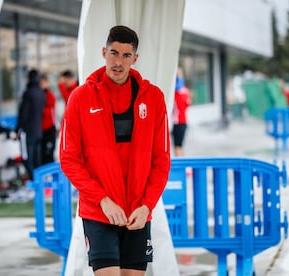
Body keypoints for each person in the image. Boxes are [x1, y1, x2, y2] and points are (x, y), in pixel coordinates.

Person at [59, 25, 171, 276]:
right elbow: (68, 159)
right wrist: (103, 200)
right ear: (103, 52)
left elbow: (161, 160)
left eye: (126, 55)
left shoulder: (153, 97)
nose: (118, 61)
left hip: (137, 212)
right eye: (113, 53)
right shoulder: (80, 97)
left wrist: (147, 206)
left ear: (135, 58)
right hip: (100, 212)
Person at [16, 69, 45, 180]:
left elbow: (24, 113)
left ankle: (35, 182)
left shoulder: (28, 93)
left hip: (28, 131)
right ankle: (39, 182)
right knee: (37, 159)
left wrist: (17, 129)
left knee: (27, 158)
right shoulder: (41, 93)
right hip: (38, 130)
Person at [172, 68, 191, 156]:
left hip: (179, 122)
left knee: (177, 147)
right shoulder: (185, 91)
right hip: (182, 122)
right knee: (179, 147)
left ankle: (183, 168)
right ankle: (185, 167)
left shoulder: (178, 92)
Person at [39, 73, 57, 164]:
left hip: (49, 129)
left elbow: (51, 112)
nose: (42, 85)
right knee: (43, 156)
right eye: (40, 83)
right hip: (42, 130)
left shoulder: (50, 95)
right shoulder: (39, 95)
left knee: (49, 154)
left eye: (43, 83)